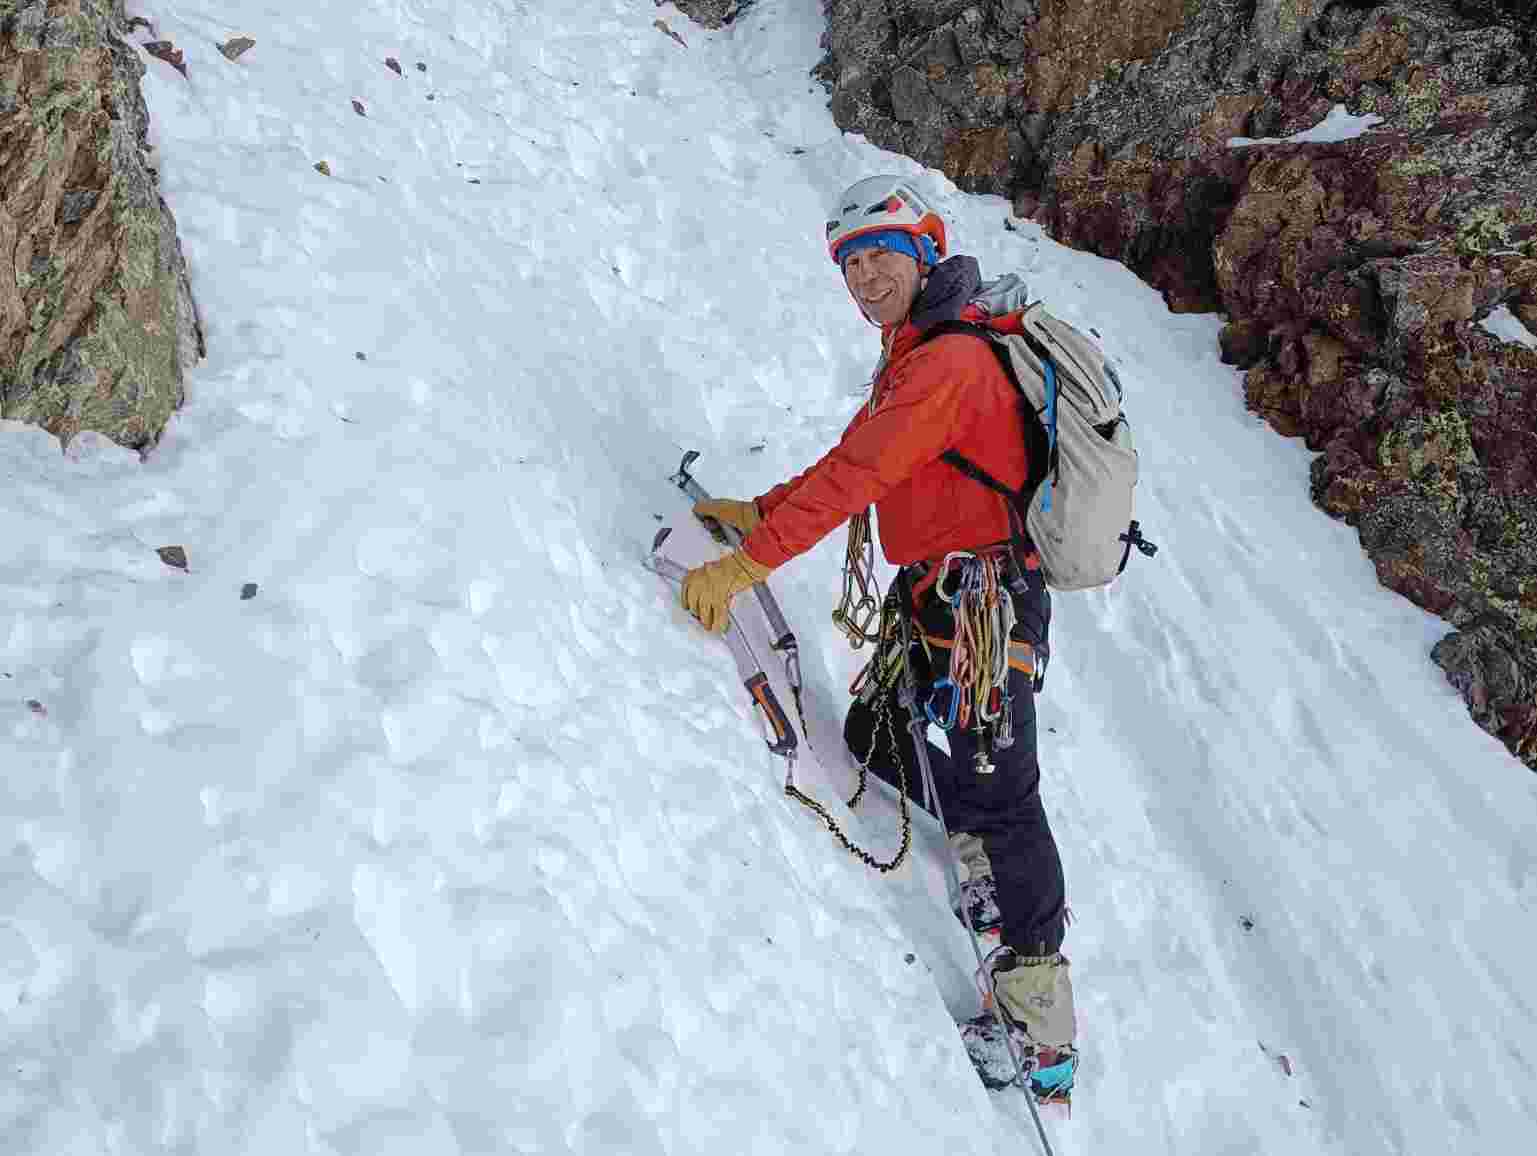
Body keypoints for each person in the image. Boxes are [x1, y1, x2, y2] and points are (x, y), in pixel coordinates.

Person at [678, 175, 1075, 1097]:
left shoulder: (949, 363)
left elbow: (857, 476)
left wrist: (748, 566)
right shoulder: (917, 354)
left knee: (1005, 796)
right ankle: (973, 855)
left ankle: (1041, 1037)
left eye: (878, 256)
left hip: (986, 602)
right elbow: (857, 457)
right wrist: (761, 513)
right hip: (939, 595)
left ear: (926, 251)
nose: (862, 277)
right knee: (875, 738)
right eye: (849, 264)